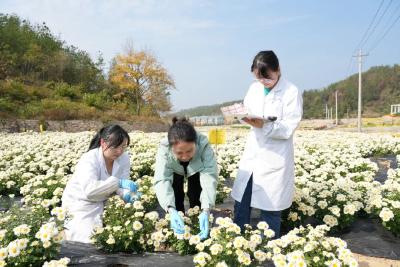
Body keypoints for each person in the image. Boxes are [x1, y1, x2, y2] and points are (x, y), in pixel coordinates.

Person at [231, 50, 303, 238]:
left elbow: (288, 127)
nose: (263, 82)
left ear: (277, 69)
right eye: (259, 78)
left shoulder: (291, 92)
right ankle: (237, 240)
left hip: (275, 156)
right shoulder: (254, 88)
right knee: (241, 200)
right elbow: (247, 112)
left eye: (267, 77)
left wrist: (265, 125)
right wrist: (241, 115)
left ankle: (269, 249)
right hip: (253, 152)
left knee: (270, 207)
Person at [62, 124, 138, 243]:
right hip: (82, 203)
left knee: (125, 232)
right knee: (88, 239)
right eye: (115, 147)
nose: (119, 151)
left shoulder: (124, 158)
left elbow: (124, 181)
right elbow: (90, 191)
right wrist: (117, 183)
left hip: (105, 200)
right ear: (103, 143)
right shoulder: (89, 159)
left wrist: (128, 194)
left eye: (123, 147)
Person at [153, 117, 218, 240]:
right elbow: (162, 179)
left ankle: (198, 227)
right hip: (174, 168)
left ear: (195, 143)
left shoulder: (203, 144)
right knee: (176, 196)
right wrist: (170, 210)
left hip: (197, 168)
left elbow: (209, 176)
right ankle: (179, 231)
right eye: (179, 153)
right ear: (171, 148)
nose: (184, 156)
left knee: (196, 194)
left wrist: (206, 209)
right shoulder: (165, 147)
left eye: (189, 151)